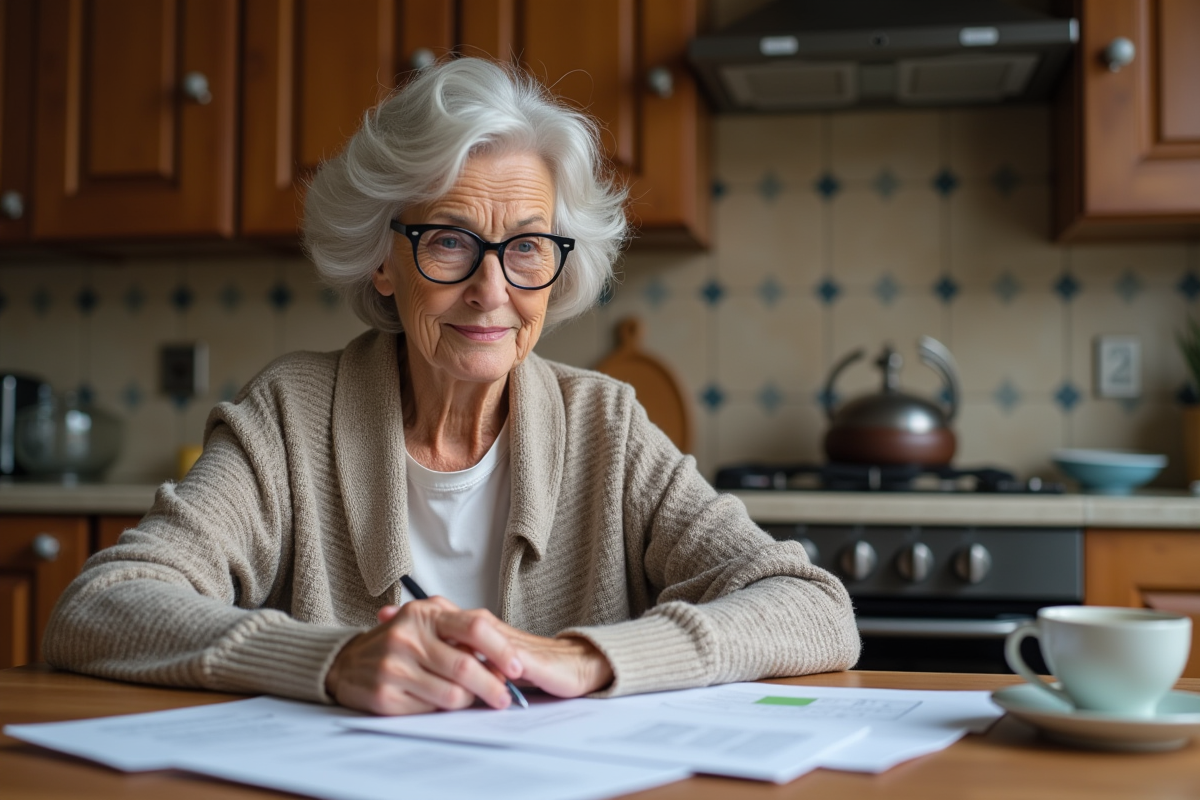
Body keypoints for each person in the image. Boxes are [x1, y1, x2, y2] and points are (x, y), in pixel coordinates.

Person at [44, 58, 859, 715]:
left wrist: (588, 657)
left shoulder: (605, 425)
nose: (491, 289)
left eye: (528, 247)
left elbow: (812, 607)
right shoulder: (289, 416)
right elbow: (103, 607)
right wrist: (329, 661)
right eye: (448, 241)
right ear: (382, 258)